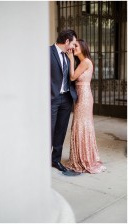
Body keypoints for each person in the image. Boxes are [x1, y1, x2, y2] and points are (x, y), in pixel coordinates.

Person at [65, 39, 106, 173]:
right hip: (81, 97)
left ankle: (84, 158)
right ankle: (81, 156)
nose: (73, 47)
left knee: (82, 125)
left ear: (83, 47)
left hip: (84, 98)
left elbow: (72, 77)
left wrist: (70, 59)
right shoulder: (82, 62)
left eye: (76, 46)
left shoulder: (86, 62)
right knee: (80, 124)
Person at [50, 29, 79, 175]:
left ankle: (55, 160)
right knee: (49, 130)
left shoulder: (69, 56)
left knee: (61, 131)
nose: (74, 47)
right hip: (51, 99)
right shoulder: (47, 53)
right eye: (73, 43)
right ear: (67, 41)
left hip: (66, 99)